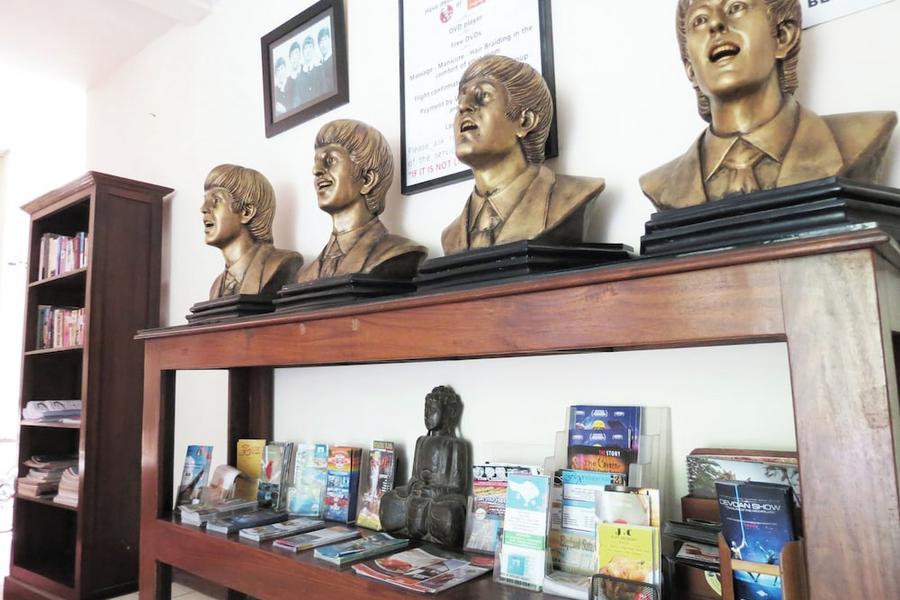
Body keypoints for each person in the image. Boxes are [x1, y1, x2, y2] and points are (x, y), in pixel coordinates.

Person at [640, 0, 896, 210]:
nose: (716, 24)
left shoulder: (862, 137)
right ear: (690, 69)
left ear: (783, 37)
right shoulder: (661, 185)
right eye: (700, 20)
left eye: (735, 7)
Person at [441, 54, 606, 255]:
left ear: (525, 121)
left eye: (483, 95)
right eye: (460, 99)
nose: (462, 106)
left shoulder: (575, 196)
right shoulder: (450, 236)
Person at [295, 120, 427, 282]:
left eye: (330, 160)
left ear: (367, 179)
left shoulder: (398, 252)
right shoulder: (305, 276)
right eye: (316, 161)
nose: (316, 170)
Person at [379, 386, 470, 548]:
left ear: (450, 412)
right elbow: (414, 476)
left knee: (450, 511)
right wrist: (414, 485)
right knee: (390, 499)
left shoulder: (456, 445)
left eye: (433, 410)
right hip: (418, 493)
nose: (427, 414)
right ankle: (411, 528)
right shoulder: (421, 441)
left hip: (438, 498)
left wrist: (434, 491)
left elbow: (458, 487)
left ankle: (430, 532)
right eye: (426, 409)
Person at [202, 164, 303, 298]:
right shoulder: (216, 286)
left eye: (216, 200)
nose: (203, 208)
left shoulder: (280, 263)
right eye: (205, 201)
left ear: (246, 212)